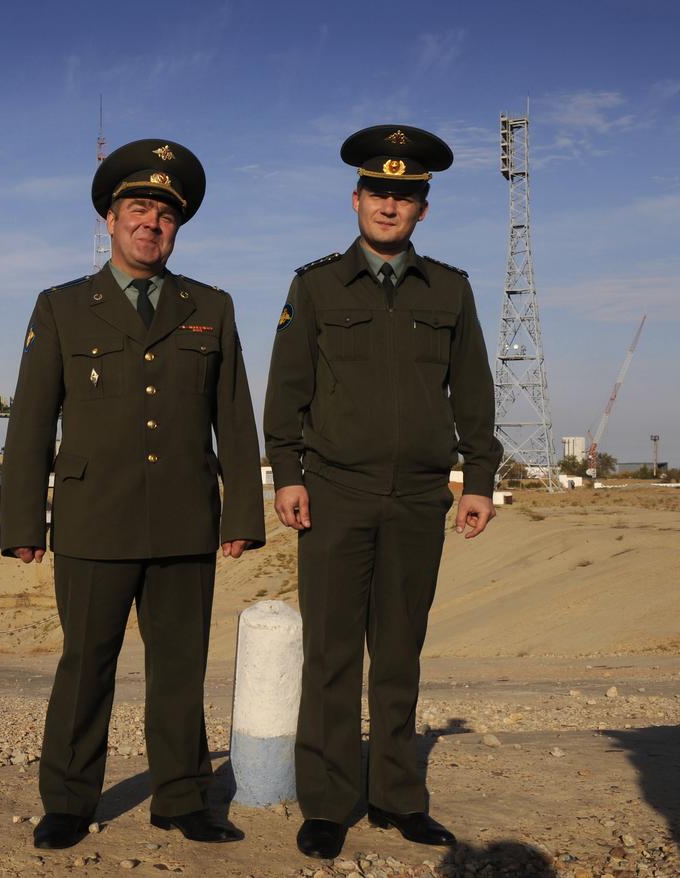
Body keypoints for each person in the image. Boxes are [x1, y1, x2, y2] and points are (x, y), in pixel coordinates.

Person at [1, 139, 266, 850]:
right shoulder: (62, 307)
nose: (151, 223)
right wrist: (24, 519)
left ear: (178, 228)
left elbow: (233, 417)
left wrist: (242, 511)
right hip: (94, 519)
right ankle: (67, 799)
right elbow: (30, 421)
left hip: (185, 518)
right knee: (87, 665)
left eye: (164, 215)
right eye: (138, 209)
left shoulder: (211, 306)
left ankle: (181, 797)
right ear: (110, 220)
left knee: (179, 669)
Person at [263, 125, 503, 859]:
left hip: (417, 498)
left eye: (406, 196)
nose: (390, 205)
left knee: (400, 652)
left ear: (423, 209)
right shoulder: (315, 287)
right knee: (332, 654)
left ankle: (399, 797)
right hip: (334, 493)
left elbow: (474, 394)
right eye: (379, 192)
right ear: (356, 198)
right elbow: (287, 393)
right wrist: (290, 474)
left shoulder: (451, 291)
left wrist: (479, 481)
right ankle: (330, 803)